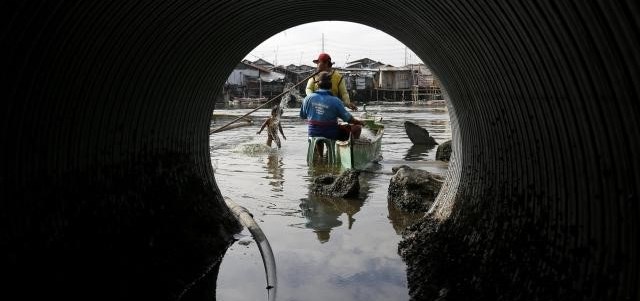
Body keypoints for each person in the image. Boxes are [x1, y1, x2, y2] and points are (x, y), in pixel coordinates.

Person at [300, 71, 363, 144]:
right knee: (357, 127)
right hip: (331, 134)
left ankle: (320, 155)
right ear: (331, 85)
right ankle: (351, 151)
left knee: (317, 131)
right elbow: (348, 119)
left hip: (312, 133)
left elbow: (303, 116)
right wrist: (360, 122)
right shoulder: (336, 100)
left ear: (317, 84)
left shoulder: (308, 98)